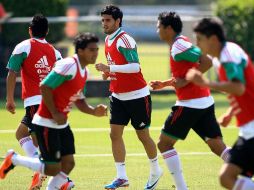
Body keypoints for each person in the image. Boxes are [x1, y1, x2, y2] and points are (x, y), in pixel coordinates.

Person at [0, 32, 108, 190]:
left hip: (62, 123)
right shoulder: (68, 65)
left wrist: (94, 111)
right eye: (91, 50)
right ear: (80, 51)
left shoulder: (84, 72)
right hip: (46, 122)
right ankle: (14, 159)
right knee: (52, 167)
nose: (96, 53)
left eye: (96, 49)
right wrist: (55, 113)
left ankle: (59, 184)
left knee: (69, 163)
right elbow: (45, 86)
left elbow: (79, 100)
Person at [150, 12, 231, 190]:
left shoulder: (179, 45)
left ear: (169, 29)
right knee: (218, 146)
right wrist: (164, 84)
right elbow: (187, 72)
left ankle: (181, 188)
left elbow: (206, 61)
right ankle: (246, 171)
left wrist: (186, 80)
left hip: (190, 105)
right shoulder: (180, 43)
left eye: (159, 27)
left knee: (164, 144)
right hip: (203, 102)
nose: (157, 31)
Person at [95, 5, 162, 190]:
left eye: (108, 20)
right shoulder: (109, 39)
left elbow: (134, 67)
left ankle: (156, 170)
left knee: (143, 136)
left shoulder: (125, 39)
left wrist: (110, 68)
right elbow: (117, 65)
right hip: (117, 96)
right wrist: (109, 74)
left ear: (118, 21)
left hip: (137, 96)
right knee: (114, 134)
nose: (104, 24)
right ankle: (121, 177)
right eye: (103, 20)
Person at [186, 17, 254, 190]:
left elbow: (238, 88)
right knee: (227, 177)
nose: (197, 44)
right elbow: (244, 90)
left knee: (228, 176)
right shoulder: (220, 57)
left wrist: (205, 83)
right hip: (248, 130)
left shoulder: (228, 56)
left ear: (213, 39)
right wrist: (231, 112)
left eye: (200, 39)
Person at [5, 14, 62, 189]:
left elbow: (12, 72)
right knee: (22, 134)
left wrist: (9, 99)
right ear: (47, 31)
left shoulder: (23, 46)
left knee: (38, 141)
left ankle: (54, 177)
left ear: (30, 30)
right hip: (51, 103)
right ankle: (42, 173)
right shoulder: (56, 52)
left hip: (35, 102)